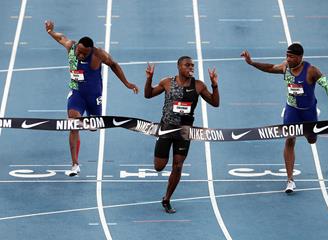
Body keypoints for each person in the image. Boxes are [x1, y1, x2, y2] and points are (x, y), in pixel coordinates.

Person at [241, 43, 328, 193]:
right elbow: (269, 68)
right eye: (286, 56)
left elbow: (327, 86)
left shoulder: (311, 71)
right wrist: (251, 63)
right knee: (290, 138)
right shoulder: (285, 67)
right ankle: (290, 180)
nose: (287, 59)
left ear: (300, 57)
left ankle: (315, 117)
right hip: (292, 109)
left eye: (291, 57)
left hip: (308, 111)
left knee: (312, 140)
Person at [45, 20, 139, 176]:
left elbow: (114, 65)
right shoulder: (71, 47)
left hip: (94, 95)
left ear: (90, 51)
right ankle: (75, 164)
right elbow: (60, 37)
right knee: (73, 123)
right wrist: (50, 32)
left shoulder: (98, 54)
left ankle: (89, 120)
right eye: (79, 52)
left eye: (84, 53)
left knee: (94, 126)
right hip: (77, 93)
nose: (81, 55)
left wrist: (127, 83)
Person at [145, 56, 219, 213]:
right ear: (179, 67)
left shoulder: (198, 86)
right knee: (159, 167)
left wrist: (214, 85)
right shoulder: (167, 82)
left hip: (184, 131)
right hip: (166, 128)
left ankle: (167, 199)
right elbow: (148, 94)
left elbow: (215, 103)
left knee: (178, 166)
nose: (191, 68)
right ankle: (166, 194)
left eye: (192, 65)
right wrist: (149, 79)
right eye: (187, 65)